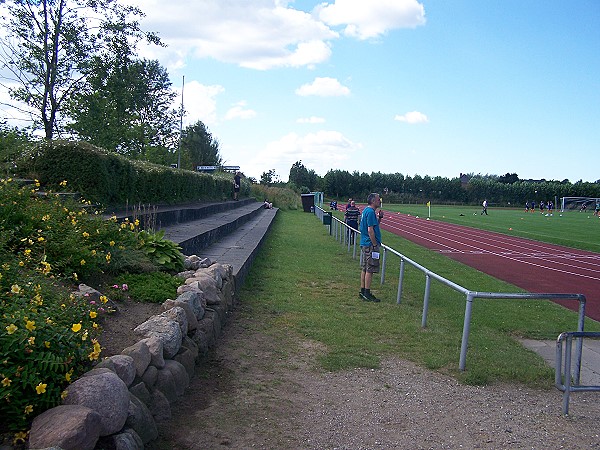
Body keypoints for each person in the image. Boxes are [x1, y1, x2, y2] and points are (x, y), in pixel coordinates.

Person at [359, 193, 384, 302]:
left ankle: (363, 291)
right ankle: (367, 293)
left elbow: (373, 226)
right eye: (378, 200)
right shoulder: (370, 212)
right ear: (373, 201)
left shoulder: (366, 211)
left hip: (365, 243)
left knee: (365, 268)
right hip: (369, 244)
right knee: (370, 269)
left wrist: (380, 218)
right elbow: (370, 230)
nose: (380, 201)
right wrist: (374, 244)